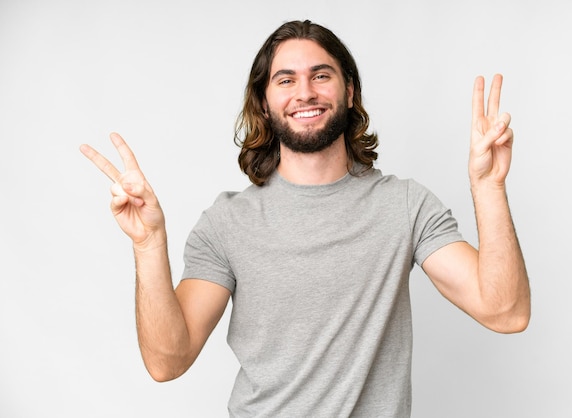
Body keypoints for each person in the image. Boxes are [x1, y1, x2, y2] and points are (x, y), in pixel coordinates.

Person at [80, 19, 530, 418]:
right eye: (285, 80)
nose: (305, 92)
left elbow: (505, 312)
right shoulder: (227, 222)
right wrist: (147, 244)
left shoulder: (405, 206)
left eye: (321, 75)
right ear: (263, 101)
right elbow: (167, 362)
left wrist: (488, 188)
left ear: (349, 91)